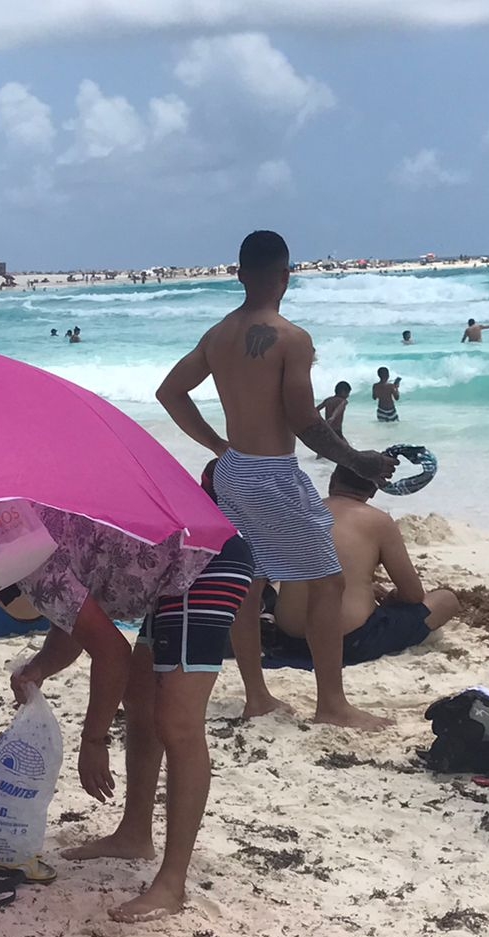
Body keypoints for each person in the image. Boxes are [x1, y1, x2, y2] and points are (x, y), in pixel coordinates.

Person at [154, 230, 395, 730]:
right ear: (287, 275)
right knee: (327, 583)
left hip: (233, 469)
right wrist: (358, 461)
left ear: (239, 274)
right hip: (273, 474)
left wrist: (219, 446)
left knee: (250, 582)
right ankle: (332, 704)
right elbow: (305, 421)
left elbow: (170, 393)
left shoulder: (218, 335)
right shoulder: (292, 339)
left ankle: (257, 695)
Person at [12, 512, 256, 921]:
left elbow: (110, 652)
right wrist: (38, 669)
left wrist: (94, 741)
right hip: (174, 565)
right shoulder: (24, 539)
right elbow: (76, 621)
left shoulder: (27, 559)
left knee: (178, 723)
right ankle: (134, 834)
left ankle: (171, 884)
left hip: (208, 559)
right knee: (142, 702)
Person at [272, 466, 459, 665]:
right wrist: (391, 597)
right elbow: (413, 594)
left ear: (332, 482)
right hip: (350, 642)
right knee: (445, 600)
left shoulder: (298, 513)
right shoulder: (379, 521)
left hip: (288, 639)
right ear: (372, 490)